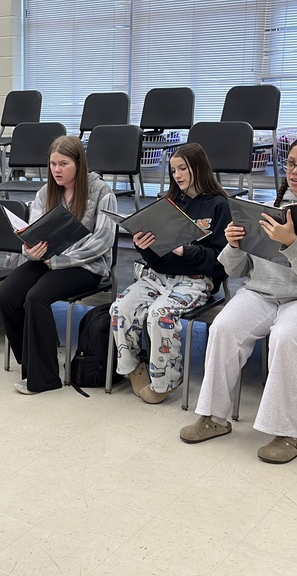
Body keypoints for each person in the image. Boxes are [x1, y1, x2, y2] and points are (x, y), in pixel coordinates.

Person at [180, 134, 297, 464]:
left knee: (285, 337)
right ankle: (213, 418)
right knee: (223, 327)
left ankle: (289, 433)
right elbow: (237, 270)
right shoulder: (267, 206)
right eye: (290, 163)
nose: (295, 171)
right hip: (264, 291)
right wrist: (233, 246)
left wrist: (293, 245)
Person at [0, 136, 117, 395]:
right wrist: (29, 250)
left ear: (79, 164)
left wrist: (61, 261)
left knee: (36, 297)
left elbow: (103, 241)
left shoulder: (101, 191)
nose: (56, 170)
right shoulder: (45, 192)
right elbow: (32, 232)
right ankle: (32, 362)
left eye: (63, 164)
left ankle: (45, 377)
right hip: (48, 260)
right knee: (4, 297)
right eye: (52, 164)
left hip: (85, 266)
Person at [110, 143, 231, 404]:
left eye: (182, 168)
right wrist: (144, 246)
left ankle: (166, 382)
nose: (177, 175)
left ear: (198, 167)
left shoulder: (219, 205)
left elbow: (221, 261)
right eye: (173, 170)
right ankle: (134, 368)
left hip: (196, 280)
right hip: (158, 276)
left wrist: (185, 251)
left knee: (159, 314)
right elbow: (156, 259)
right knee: (120, 308)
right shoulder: (168, 203)